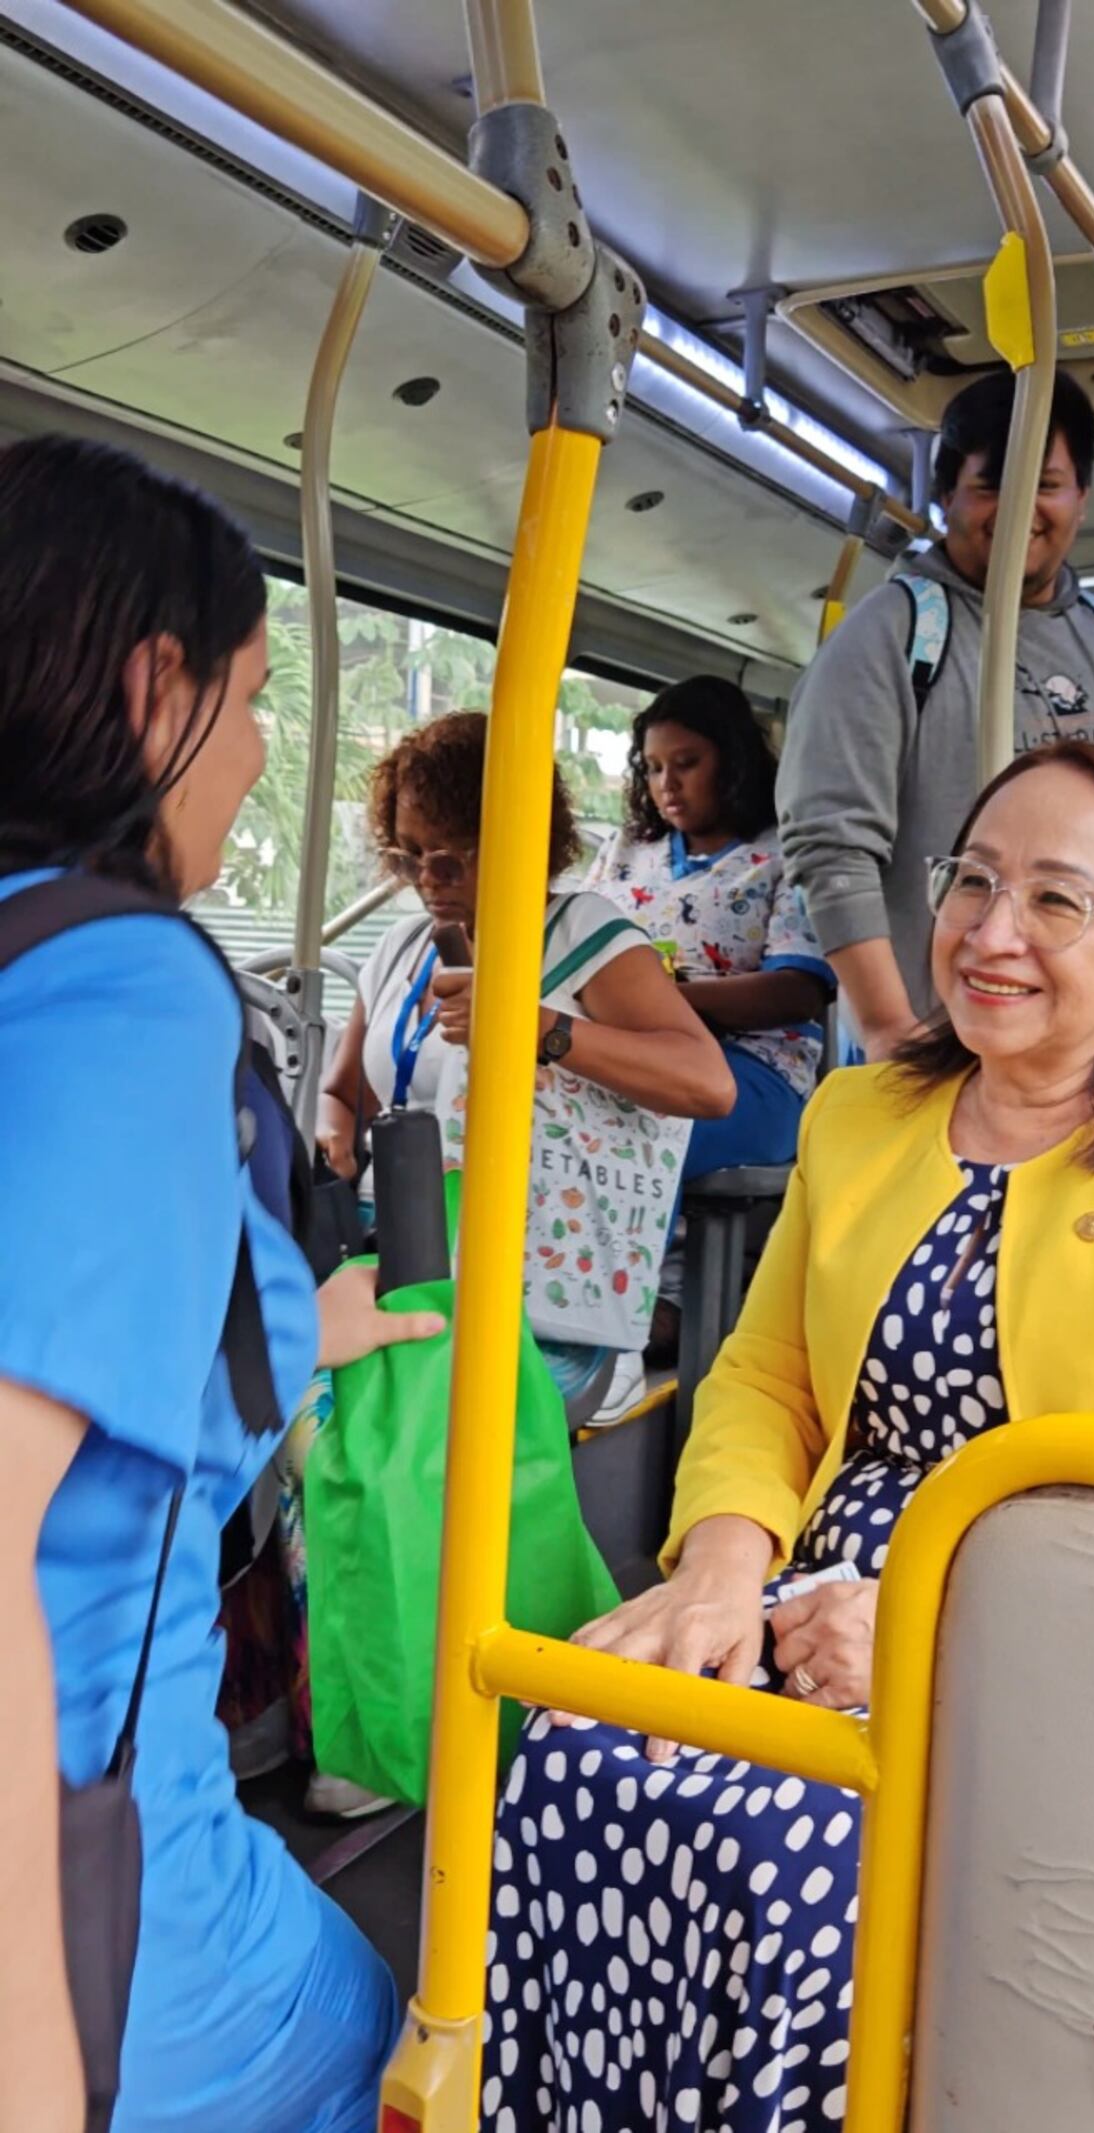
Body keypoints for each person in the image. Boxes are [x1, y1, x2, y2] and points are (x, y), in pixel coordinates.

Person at [482, 739, 1094, 2131]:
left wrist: (959, 1632)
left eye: (1057, 901)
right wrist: (717, 1573)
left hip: (1059, 1655)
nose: (992, 934)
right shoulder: (861, 1115)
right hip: (805, 1589)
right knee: (570, 1753)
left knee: (778, 1838)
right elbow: (766, 1375)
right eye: (973, 881)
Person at [0, 434, 447, 2133]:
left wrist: (305, 1325)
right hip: (99, 1877)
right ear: (150, 683)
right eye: (253, 699)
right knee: (375, 2035)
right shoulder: (125, 982)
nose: (259, 757)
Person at [318, 709, 735, 1421]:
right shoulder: (402, 947)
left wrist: (532, 1025)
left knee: (389, 1420)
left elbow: (707, 1083)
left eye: (452, 855)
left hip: (535, 1295)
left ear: (519, 838)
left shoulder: (584, 933)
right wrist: (332, 1142)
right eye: (411, 854)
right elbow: (343, 1092)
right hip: (394, 1261)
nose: (427, 879)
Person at [777, 368, 1094, 1063]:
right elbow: (832, 846)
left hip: (1093, 1053)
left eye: (1044, 485)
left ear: (1082, 499)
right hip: (946, 1045)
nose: (1017, 511)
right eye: (990, 485)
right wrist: (892, 1032)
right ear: (947, 494)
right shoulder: (893, 633)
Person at [586, 676, 834, 1180]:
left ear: (733, 761)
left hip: (750, 1070)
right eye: (653, 769)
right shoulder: (625, 849)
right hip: (628, 1053)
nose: (666, 785)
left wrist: (657, 999)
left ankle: (632, 1260)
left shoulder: (788, 854)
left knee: (622, 1128)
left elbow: (797, 992)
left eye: (686, 764)